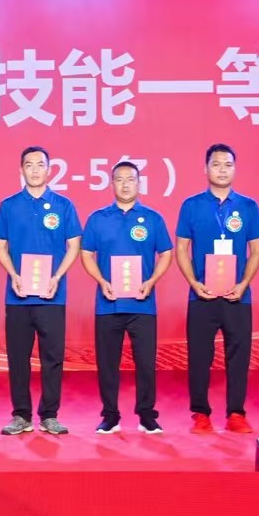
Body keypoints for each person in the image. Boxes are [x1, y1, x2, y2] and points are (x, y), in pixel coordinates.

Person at [174, 143, 259, 433]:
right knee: (200, 356)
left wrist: (243, 284)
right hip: (201, 295)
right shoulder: (191, 205)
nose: (222, 170)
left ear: (235, 169)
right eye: (216, 164)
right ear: (205, 169)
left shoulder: (249, 206)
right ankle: (200, 413)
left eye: (228, 164)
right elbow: (181, 249)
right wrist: (194, 283)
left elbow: (256, 250)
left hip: (238, 296)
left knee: (238, 355)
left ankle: (236, 413)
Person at [79, 161, 175, 434]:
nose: (125, 184)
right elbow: (86, 254)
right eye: (119, 179)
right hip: (107, 304)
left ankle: (147, 415)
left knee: (146, 363)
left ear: (139, 183)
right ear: (111, 184)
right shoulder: (98, 218)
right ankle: (110, 415)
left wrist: (151, 282)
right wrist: (102, 282)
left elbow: (166, 253)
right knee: (107, 364)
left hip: (143, 304)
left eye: (130, 179)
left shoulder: (153, 218)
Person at [0, 147, 81, 435]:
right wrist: (14, 275)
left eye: (40, 165)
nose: (34, 170)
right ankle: (21, 415)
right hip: (17, 296)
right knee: (18, 358)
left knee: (52, 357)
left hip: (52, 295)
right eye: (28, 165)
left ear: (49, 170)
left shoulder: (63, 205)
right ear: (21, 170)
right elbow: (1, 247)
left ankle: (49, 415)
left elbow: (74, 246)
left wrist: (57, 277)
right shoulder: (8, 205)